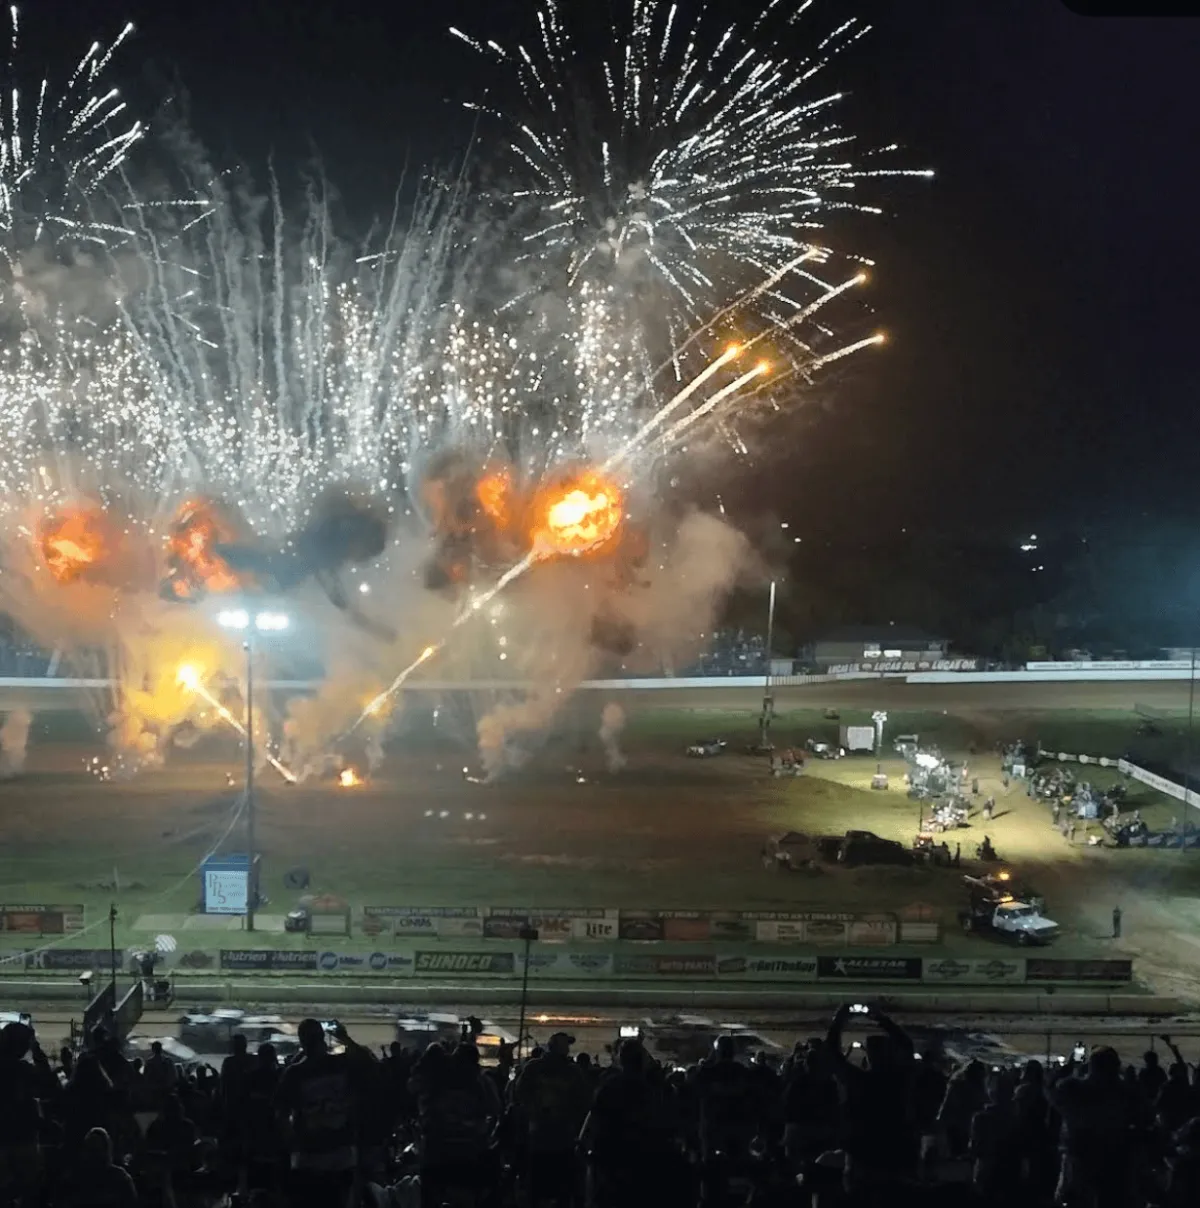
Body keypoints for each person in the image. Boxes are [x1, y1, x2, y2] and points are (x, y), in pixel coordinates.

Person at [276, 1018, 366, 1208]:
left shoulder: (294, 1073)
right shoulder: (342, 1065)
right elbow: (369, 1062)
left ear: (302, 1042)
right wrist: (344, 1038)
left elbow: (281, 1114)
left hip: (309, 1157)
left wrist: (292, 1144)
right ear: (323, 1039)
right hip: (341, 1153)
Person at [514, 1031, 591, 1206]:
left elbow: (519, 1096)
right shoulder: (570, 1072)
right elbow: (584, 1102)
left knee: (541, 1186)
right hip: (557, 1136)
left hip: (545, 1135)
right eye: (565, 1046)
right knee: (557, 1187)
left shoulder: (535, 1068)